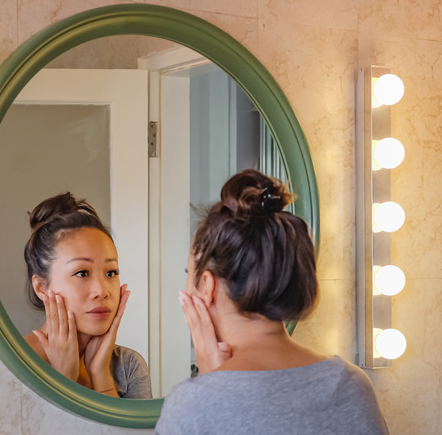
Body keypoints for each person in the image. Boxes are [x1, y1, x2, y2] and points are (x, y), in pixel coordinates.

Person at [156, 169, 388, 434]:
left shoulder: (191, 406)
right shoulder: (352, 385)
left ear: (207, 286)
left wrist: (211, 388)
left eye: (189, 273)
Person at [22, 192, 152, 399]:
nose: (102, 291)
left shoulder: (129, 366)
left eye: (111, 273)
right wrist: (63, 380)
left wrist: (101, 374)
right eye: (82, 273)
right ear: (41, 287)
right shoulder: (16, 364)